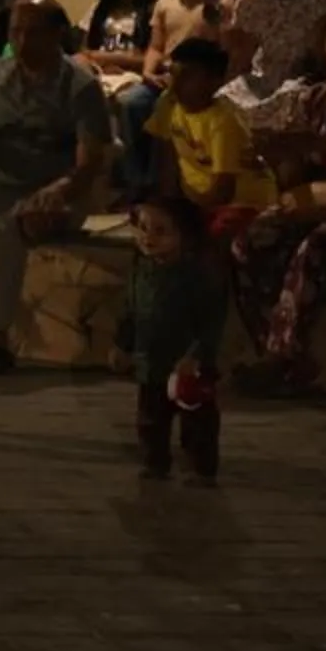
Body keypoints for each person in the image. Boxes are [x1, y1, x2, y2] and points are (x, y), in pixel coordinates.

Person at [0, 0, 112, 375]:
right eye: (16, 30)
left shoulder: (80, 85)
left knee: (3, 228)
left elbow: (90, 161)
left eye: (33, 31)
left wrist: (60, 189)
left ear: (56, 35)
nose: (22, 40)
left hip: (52, 190)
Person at [228, 3, 326, 402]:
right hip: (320, 200)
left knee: (320, 245)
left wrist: (321, 146)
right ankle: (281, 352)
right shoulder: (314, 98)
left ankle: (280, 359)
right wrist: (275, 156)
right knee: (250, 240)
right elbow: (293, 176)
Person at [119, 194, 227, 484]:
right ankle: (155, 462)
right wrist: (124, 345)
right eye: (142, 228)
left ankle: (200, 468)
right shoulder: (141, 269)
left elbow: (210, 320)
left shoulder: (198, 276)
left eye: (160, 231)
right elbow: (131, 309)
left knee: (197, 420)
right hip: (152, 359)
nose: (147, 237)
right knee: (151, 418)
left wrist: (196, 354)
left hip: (188, 365)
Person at [142, 39, 274, 237]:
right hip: (199, 197)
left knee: (220, 230)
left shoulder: (222, 122)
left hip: (242, 201)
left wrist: (187, 199)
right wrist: (169, 203)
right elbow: (166, 156)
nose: (176, 83)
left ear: (214, 81)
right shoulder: (168, 104)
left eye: (188, 76)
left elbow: (223, 192)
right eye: (174, 74)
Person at [83, 0, 162, 197]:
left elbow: (154, 55)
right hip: (102, 75)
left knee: (127, 101)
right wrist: (98, 62)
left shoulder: (155, 9)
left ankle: (134, 182)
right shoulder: (99, 10)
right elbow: (87, 51)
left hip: (137, 78)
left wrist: (114, 58)